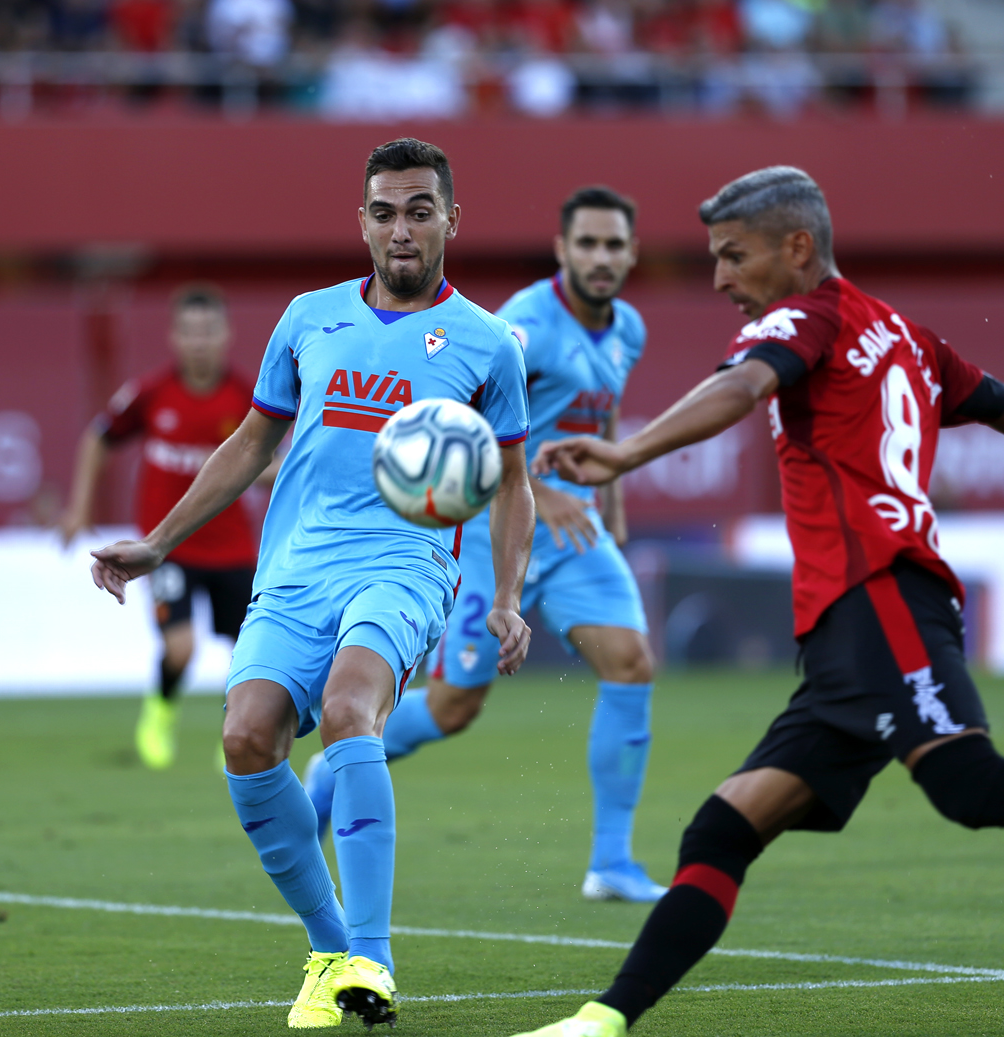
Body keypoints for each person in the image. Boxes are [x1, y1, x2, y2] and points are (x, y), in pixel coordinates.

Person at [515, 166, 1004, 1037]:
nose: (718, 280)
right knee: (720, 830)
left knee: (970, 786)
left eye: (732, 256)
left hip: (882, 595)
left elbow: (742, 386)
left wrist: (624, 454)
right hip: (843, 637)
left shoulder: (804, 316)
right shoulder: (903, 331)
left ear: (797, 248)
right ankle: (600, 1022)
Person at [88, 138, 534, 1030]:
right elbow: (253, 442)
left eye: (418, 210)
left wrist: (511, 596)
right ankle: (331, 946)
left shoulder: (489, 345)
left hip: (405, 565)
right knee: (248, 737)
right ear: (360, 222)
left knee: (348, 710)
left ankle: (374, 953)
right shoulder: (308, 317)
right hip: (296, 567)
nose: (400, 229)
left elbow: (513, 481)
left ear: (451, 218)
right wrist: (163, 542)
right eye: (383, 211)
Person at [303, 185, 665, 901]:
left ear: (631, 254)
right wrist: (538, 481)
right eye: (586, 243)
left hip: (577, 531)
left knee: (632, 662)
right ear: (562, 250)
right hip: (498, 531)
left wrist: (612, 502)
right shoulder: (524, 323)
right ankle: (328, 772)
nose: (601, 257)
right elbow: (461, 421)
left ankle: (612, 863)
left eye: (614, 245)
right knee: (454, 706)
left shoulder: (628, 328)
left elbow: (608, 416)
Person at [59, 284, 271, 771]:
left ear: (226, 335)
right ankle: (159, 713)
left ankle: (234, 734)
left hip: (233, 547)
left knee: (248, 652)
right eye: (190, 332)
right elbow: (98, 438)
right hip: (170, 545)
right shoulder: (152, 394)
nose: (200, 342)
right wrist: (79, 506)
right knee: (181, 648)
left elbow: (265, 461)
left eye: (209, 331)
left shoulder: (247, 397)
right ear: (174, 337)